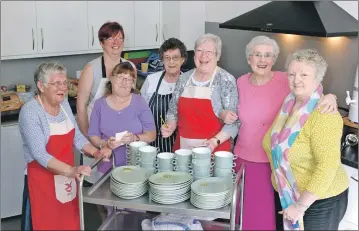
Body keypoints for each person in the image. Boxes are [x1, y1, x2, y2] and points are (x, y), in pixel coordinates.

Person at [220, 35, 338, 230]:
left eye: (268, 55)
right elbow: (228, 107)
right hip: (244, 158)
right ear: (249, 58)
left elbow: (312, 87)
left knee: (268, 219)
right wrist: (224, 112)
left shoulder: (286, 79)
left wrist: (331, 97)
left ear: (274, 59)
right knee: (244, 216)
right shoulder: (240, 82)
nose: (262, 60)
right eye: (257, 55)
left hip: (273, 165)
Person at [19, 61, 112, 230]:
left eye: (64, 83)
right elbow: (40, 154)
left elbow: (76, 136)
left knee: (68, 223)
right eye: (56, 83)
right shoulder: (31, 112)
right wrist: (71, 170)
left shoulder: (63, 104)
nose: (63, 88)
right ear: (41, 85)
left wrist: (95, 152)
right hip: (42, 183)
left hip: (66, 180)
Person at [263, 48, 349, 230]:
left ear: (317, 78)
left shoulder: (323, 113)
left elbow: (327, 166)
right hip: (287, 194)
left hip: (319, 201)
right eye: (292, 74)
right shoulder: (290, 103)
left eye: (304, 74)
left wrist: (300, 205)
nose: (296, 80)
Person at [76, 21, 135, 184]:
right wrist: (90, 139)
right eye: (110, 39)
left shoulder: (130, 67)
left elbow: (133, 103)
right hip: (97, 137)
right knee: (99, 186)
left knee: (124, 181)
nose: (116, 43)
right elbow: (80, 107)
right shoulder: (91, 69)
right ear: (102, 43)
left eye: (119, 38)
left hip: (123, 138)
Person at [161, 33, 239, 152]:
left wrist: (215, 141)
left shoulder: (225, 80)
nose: (203, 55)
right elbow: (172, 112)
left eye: (209, 52)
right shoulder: (184, 79)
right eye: (199, 50)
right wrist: (169, 127)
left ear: (218, 56)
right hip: (183, 150)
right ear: (194, 55)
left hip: (214, 150)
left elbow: (233, 123)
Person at [140, 38, 188, 152]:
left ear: (182, 59)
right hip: (153, 146)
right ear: (162, 60)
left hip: (183, 147)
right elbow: (140, 112)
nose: (171, 62)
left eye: (175, 58)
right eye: (167, 58)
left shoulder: (189, 82)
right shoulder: (151, 80)